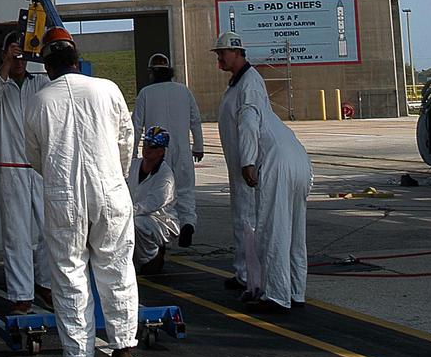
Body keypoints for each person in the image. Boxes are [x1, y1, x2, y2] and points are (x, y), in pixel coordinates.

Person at [24, 28, 138, 357]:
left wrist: (60, 181)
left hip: (64, 196)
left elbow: (34, 156)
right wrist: (114, 176)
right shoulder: (108, 90)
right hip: (110, 189)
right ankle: (123, 345)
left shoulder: (39, 101)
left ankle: (78, 352)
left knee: (68, 270)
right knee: (116, 266)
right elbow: (125, 140)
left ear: (46, 65)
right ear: (77, 58)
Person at [222, 65, 313, 313]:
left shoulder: (249, 106)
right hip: (301, 163)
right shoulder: (273, 117)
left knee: (274, 231)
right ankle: (296, 291)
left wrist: (247, 163)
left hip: (278, 165)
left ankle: (276, 296)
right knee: (295, 233)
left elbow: (248, 128)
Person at [0, 31, 51, 313]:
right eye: (14, 54)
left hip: (42, 168)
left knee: (52, 229)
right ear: (4, 55)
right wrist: (8, 64)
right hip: (11, 169)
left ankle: (47, 283)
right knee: (17, 234)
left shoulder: (43, 83)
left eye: (23, 53)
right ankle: (21, 294)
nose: (19, 59)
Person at [213, 31, 272, 291]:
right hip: (238, 166)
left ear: (237, 52)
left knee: (248, 220)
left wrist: (248, 161)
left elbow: (249, 124)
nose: (219, 59)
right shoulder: (237, 83)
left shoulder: (249, 83)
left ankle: (251, 276)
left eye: (222, 53)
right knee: (241, 218)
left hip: (247, 166)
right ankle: (243, 271)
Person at [131, 53, 203, 247]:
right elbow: (195, 120)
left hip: (156, 152)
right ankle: (188, 222)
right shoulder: (184, 91)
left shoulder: (146, 93)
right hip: (182, 150)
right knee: (185, 189)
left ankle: (163, 230)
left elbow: (136, 126)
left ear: (152, 72)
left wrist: (132, 155)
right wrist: (198, 146)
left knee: (157, 193)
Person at [127, 126, 180, 274]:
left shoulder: (165, 176)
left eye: (153, 146)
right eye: (146, 143)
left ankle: (152, 256)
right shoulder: (133, 166)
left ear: (162, 151)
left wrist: (126, 211)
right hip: (134, 212)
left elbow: (151, 204)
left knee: (137, 223)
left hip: (158, 220)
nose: (147, 148)